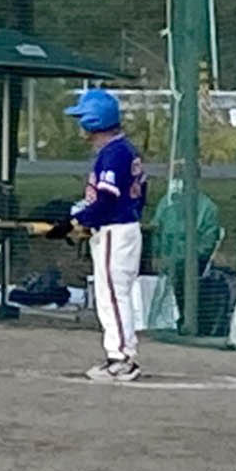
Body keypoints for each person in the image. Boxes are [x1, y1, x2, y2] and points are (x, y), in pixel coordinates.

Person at [49, 88, 146, 382]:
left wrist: (76, 221)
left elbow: (105, 202)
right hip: (118, 228)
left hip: (115, 231)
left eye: (82, 119)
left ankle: (121, 358)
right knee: (113, 295)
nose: (80, 126)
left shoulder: (115, 153)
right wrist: (79, 220)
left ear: (94, 121)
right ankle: (120, 354)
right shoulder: (121, 150)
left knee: (113, 296)